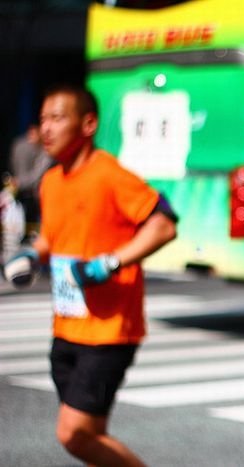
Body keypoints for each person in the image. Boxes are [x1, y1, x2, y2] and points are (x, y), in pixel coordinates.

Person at [2, 84, 178, 466]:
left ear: (88, 124)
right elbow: (52, 236)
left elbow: (163, 224)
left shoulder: (109, 174)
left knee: (74, 433)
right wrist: (32, 254)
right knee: (88, 437)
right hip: (66, 327)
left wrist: (109, 263)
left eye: (57, 118)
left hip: (109, 330)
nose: (46, 128)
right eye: (43, 119)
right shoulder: (52, 180)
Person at [7, 123, 53, 235]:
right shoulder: (22, 146)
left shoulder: (46, 151)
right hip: (27, 195)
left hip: (35, 195)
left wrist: (18, 182)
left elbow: (37, 174)